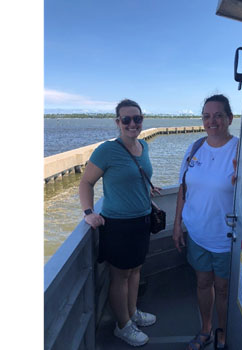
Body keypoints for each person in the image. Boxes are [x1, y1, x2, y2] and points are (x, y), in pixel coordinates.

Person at [79, 99, 160, 347]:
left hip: (142, 220)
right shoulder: (106, 150)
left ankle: (132, 312)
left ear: (142, 120)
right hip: (118, 225)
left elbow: (139, 175)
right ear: (118, 122)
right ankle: (123, 326)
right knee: (120, 276)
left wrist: (147, 188)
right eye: (126, 119)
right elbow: (85, 183)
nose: (132, 123)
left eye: (137, 118)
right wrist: (88, 212)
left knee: (136, 270)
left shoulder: (144, 146)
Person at [173, 94, 239, 350]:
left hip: (225, 237)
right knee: (202, 283)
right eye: (206, 116)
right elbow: (182, 188)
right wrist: (178, 224)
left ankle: (222, 332)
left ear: (229, 119)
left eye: (218, 115)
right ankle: (206, 329)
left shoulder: (241, 150)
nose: (212, 121)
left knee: (222, 289)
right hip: (197, 233)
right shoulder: (195, 148)